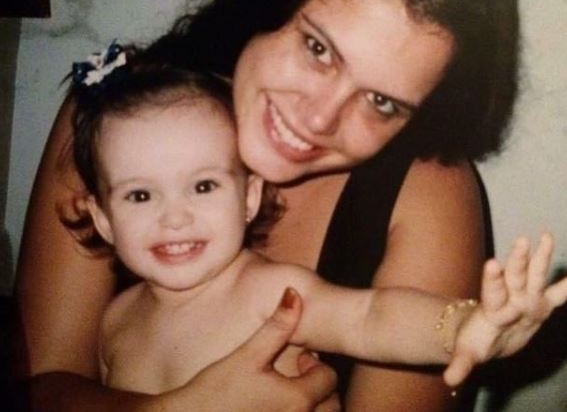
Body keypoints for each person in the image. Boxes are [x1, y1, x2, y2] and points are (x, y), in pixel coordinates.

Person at [14, 0, 522, 410]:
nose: (319, 119)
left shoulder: (426, 195)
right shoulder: (120, 111)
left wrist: (474, 324)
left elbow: (388, 322)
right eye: (318, 48)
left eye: (382, 102)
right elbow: (44, 388)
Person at [69, 48, 566, 395]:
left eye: (203, 186)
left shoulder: (270, 294)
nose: (174, 217)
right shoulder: (115, 322)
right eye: (139, 195)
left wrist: (464, 326)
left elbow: (370, 318)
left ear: (250, 197)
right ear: (104, 219)